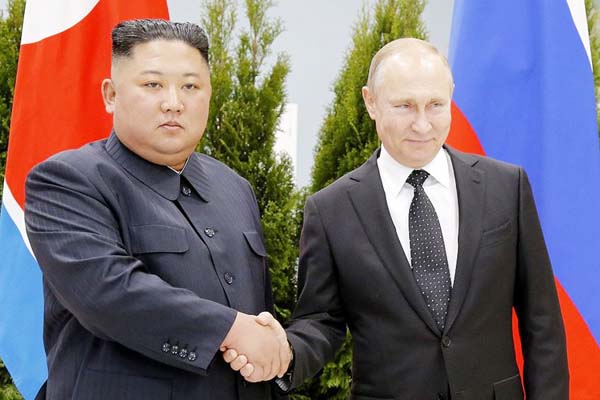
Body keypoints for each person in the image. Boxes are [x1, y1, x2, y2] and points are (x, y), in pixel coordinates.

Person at [225, 38, 569, 399]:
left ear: (451, 94)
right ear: (370, 102)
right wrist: (286, 352)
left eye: (435, 105)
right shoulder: (331, 210)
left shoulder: (506, 187)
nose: (422, 125)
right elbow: (321, 321)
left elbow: (541, 319)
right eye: (404, 106)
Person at [24, 19, 290, 400]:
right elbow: (109, 292)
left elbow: (258, 312)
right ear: (111, 94)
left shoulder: (235, 188)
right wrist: (232, 329)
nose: (173, 102)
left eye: (190, 86)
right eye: (153, 84)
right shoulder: (66, 181)